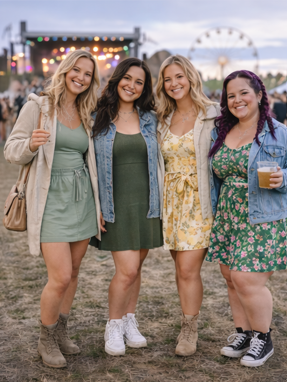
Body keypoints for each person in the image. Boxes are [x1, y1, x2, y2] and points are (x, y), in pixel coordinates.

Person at [4, 50, 101, 368]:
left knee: (73, 274)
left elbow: (91, 162)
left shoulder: (86, 109)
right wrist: (31, 143)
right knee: (59, 276)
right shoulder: (38, 105)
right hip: (49, 199)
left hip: (81, 198)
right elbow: (11, 150)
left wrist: (98, 204)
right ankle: (45, 339)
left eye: (88, 74)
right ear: (65, 70)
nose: (81, 78)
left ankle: (61, 331)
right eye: (77, 70)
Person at [206, 70, 287, 367]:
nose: (237, 99)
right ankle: (244, 332)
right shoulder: (221, 131)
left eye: (243, 93)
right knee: (231, 278)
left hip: (262, 215)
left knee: (245, 278)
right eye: (231, 95)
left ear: (259, 95)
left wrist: (284, 177)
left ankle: (263, 339)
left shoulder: (278, 132)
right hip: (228, 214)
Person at [91, 57, 163, 356]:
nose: (132, 86)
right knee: (127, 270)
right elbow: (87, 165)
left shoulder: (151, 118)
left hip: (147, 203)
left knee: (137, 268)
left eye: (139, 82)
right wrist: (95, 205)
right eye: (128, 78)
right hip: (114, 204)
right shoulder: (96, 117)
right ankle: (113, 324)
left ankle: (130, 321)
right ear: (117, 78)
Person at [156, 55, 219, 356]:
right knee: (179, 269)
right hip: (172, 202)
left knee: (188, 270)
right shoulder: (161, 118)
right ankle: (187, 318)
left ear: (191, 77)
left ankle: (189, 329)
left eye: (179, 76)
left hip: (199, 199)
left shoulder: (213, 114)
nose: (173, 84)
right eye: (168, 79)